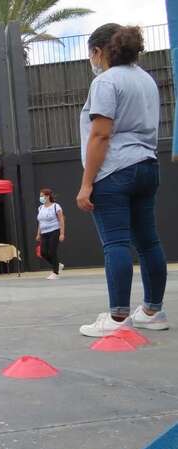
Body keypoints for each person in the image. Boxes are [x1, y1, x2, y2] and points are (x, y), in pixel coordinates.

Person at [77, 24, 169, 336]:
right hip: (147, 165)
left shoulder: (105, 82)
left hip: (114, 170)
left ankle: (117, 318)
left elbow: (101, 135)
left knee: (115, 242)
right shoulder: (145, 79)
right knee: (148, 241)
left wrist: (87, 183)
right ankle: (152, 311)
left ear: (98, 51)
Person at [36, 188, 66, 280]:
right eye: (40, 196)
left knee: (52, 251)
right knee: (43, 252)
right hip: (44, 233)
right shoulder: (40, 208)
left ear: (48, 196)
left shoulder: (56, 206)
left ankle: (55, 272)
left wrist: (62, 233)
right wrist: (38, 234)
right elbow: (40, 222)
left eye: (42, 196)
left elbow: (61, 220)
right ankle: (58, 265)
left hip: (54, 231)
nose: (41, 198)